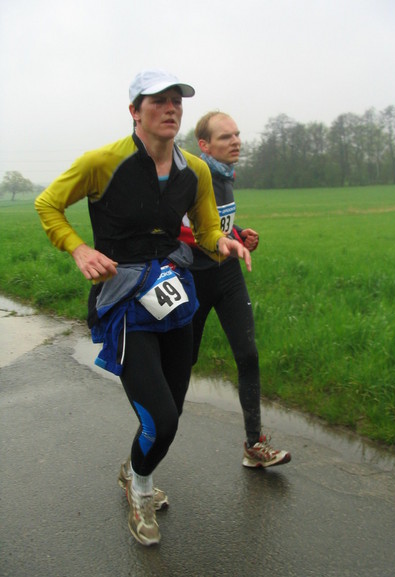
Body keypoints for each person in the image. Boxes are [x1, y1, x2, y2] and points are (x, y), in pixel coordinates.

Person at [35, 71, 251, 547]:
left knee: (172, 408)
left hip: (174, 293)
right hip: (123, 298)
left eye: (177, 101)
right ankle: (141, 489)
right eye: (159, 101)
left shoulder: (195, 170)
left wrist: (223, 243)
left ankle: (133, 467)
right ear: (135, 111)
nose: (171, 108)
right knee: (161, 419)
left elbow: (206, 229)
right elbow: (48, 204)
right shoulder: (101, 162)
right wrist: (78, 249)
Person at [180, 111, 291, 468]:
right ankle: (147, 448)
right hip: (194, 278)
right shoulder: (192, 176)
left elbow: (217, 222)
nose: (236, 142)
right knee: (182, 365)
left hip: (227, 275)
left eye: (237, 135)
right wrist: (226, 240)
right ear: (204, 144)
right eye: (226, 137)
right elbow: (181, 229)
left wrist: (239, 234)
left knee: (248, 355)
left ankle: (254, 444)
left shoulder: (226, 175)